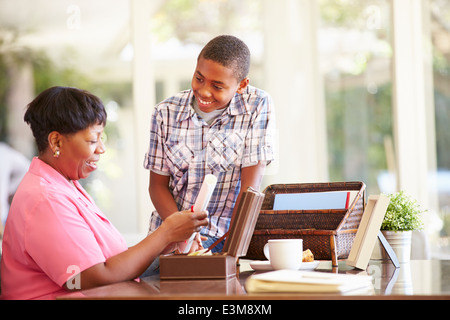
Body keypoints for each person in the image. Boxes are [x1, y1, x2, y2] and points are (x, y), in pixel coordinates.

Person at [0, 86, 208, 300]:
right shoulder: (46, 199)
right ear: (56, 141)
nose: (101, 149)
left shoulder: (65, 185)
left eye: (101, 138)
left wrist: (166, 243)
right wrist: (165, 233)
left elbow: (111, 261)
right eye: (92, 140)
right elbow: (95, 276)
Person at [144, 35, 275, 253]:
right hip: (169, 237)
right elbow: (157, 187)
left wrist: (231, 252)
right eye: (199, 78)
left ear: (241, 85)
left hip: (223, 237)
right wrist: (184, 234)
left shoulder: (257, 105)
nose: (204, 91)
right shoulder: (164, 113)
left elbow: (249, 189)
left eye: (217, 86)